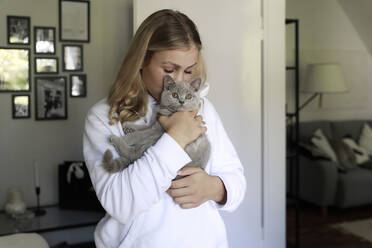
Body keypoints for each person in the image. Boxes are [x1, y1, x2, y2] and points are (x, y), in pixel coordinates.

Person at [83, 9, 246, 248]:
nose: (180, 81)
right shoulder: (104, 117)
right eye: (169, 70)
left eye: (189, 71)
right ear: (141, 61)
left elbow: (237, 181)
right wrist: (176, 137)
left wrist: (214, 187)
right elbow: (120, 203)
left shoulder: (203, 108)